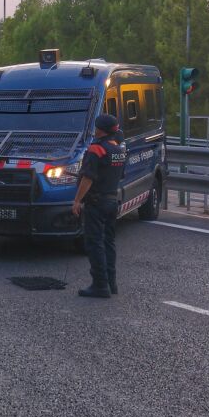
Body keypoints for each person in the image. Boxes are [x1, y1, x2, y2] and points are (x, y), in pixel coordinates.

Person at [71, 114, 126, 298]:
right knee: (109, 242)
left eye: (96, 127)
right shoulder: (118, 149)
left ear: (100, 129)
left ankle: (100, 285)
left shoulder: (97, 149)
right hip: (112, 200)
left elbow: (88, 177)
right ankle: (112, 283)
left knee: (95, 243)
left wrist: (77, 200)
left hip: (97, 202)